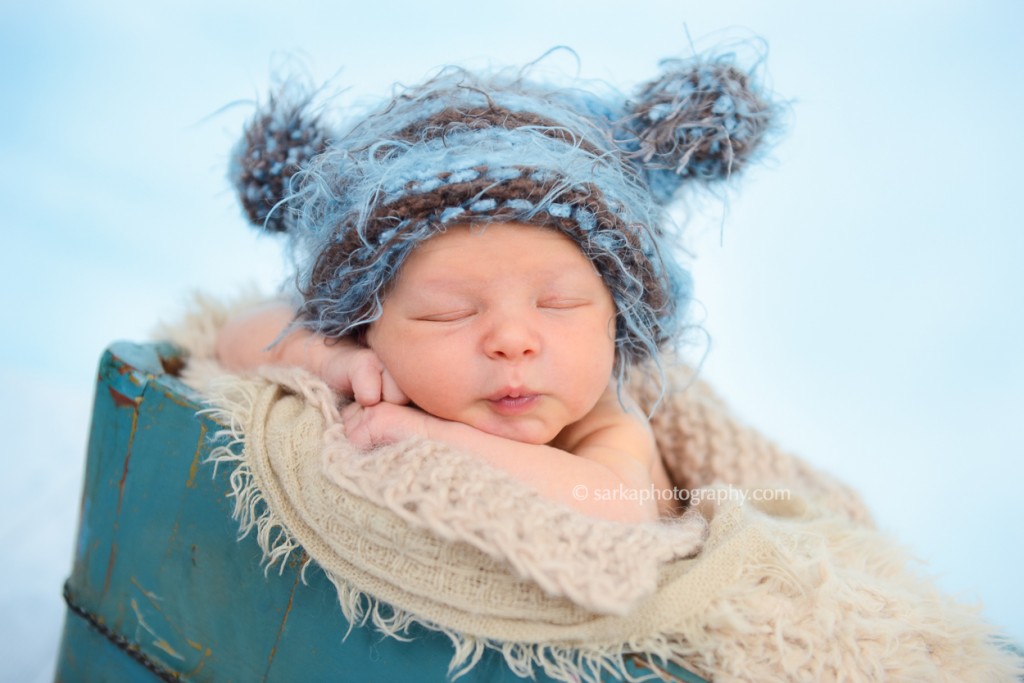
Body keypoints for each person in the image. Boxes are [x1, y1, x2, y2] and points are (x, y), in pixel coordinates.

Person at [217, 55, 778, 523]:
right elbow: (238, 338)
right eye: (450, 312)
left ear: (618, 317)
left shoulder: (603, 419)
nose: (513, 340)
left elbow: (619, 509)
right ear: (363, 322)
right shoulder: (369, 360)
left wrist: (425, 435)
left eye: (559, 303)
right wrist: (324, 359)